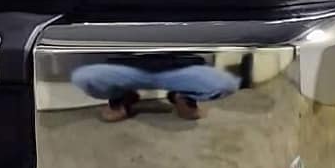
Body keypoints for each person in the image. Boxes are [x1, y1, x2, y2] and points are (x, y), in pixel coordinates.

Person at [71, 54, 252, 122]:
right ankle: (120, 99)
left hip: (178, 67)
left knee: (228, 83)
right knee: (84, 77)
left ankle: (184, 98)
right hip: (128, 67)